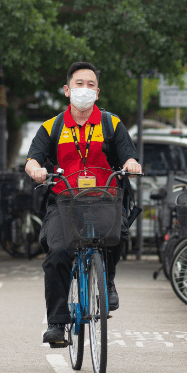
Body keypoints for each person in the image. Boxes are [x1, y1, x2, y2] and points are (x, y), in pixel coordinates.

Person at [26, 62, 141, 347]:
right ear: (67, 90)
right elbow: (32, 160)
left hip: (105, 198)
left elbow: (128, 155)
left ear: (97, 92)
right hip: (64, 201)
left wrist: (131, 163)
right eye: (79, 84)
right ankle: (57, 323)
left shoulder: (110, 123)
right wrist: (36, 170)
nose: (84, 89)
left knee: (117, 235)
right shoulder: (51, 127)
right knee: (58, 253)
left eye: (90, 85)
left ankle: (108, 280)